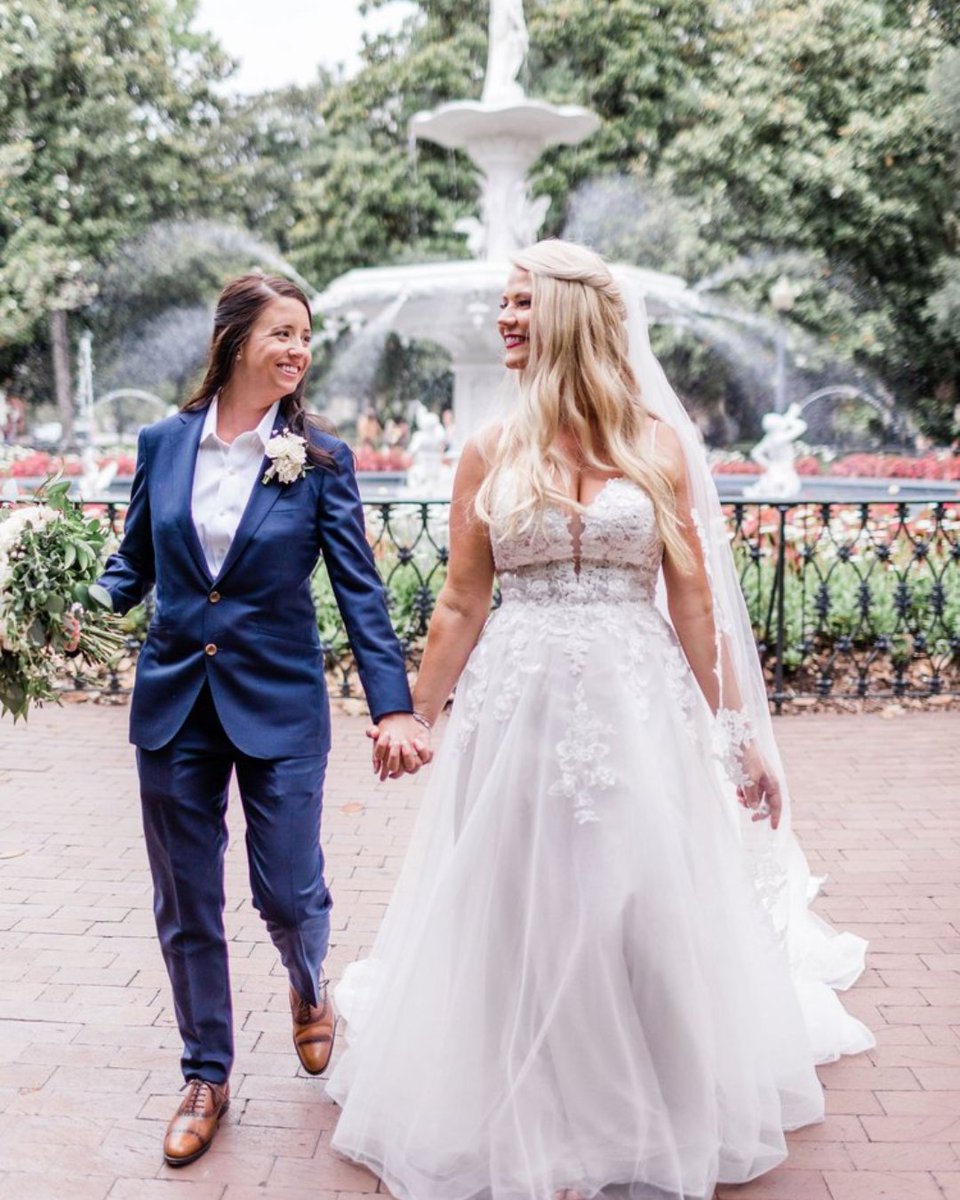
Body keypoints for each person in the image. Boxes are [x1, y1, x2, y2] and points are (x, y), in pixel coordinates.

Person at [328, 242, 874, 1200]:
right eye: (500, 303)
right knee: (519, 897)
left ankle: (648, 1102)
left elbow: (695, 600)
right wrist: (412, 715)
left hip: (635, 702)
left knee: (638, 893)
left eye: (518, 303)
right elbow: (460, 601)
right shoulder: (491, 450)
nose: (503, 319)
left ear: (570, 315)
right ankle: (531, 1106)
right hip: (518, 705)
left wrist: (738, 734)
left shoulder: (657, 444)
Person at [97, 274, 427, 1167]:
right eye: (282, 332)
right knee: (186, 901)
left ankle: (309, 982)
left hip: (280, 704)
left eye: (306, 338)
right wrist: (58, 603)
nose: (297, 351)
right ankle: (205, 1071)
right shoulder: (163, 444)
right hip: (173, 705)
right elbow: (129, 566)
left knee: (285, 892)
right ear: (236, 337)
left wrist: (393, 705)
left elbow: (359, 588)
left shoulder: (318, 459)